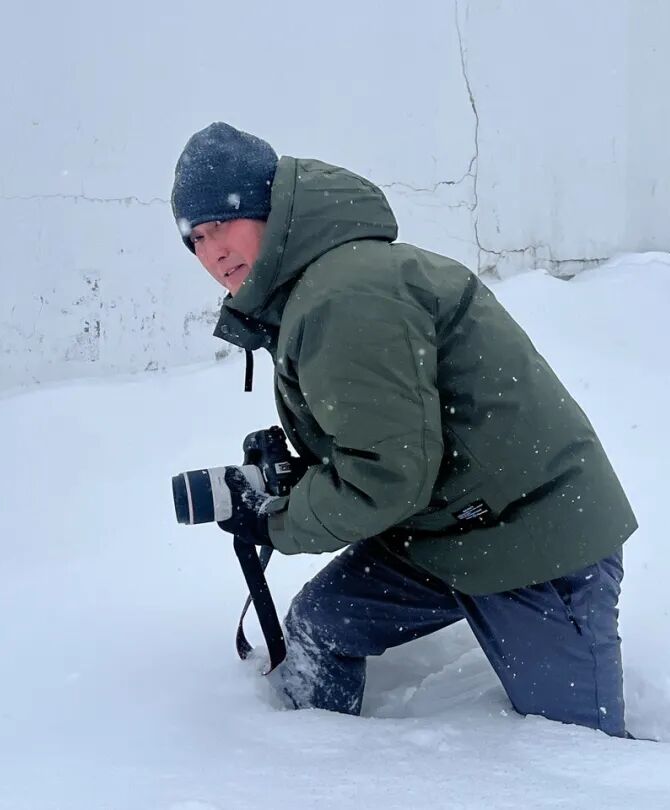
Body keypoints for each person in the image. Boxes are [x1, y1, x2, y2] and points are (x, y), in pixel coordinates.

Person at [170, 122, 637, 736]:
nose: (213, 253)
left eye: (224, 223)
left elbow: (387, 478)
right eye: (196, 237)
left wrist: (275, 520)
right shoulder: (322, 287)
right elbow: (391, 442)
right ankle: (307, 772)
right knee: (321, 626)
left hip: (535, 539)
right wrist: (293, 477)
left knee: (583, 756)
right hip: (446, 531)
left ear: (272, 208)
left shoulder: (346, 294)